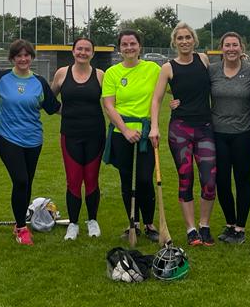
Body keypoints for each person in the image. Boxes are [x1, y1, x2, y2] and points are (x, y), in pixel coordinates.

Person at [0, 39, 60, 245]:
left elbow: (53, 107)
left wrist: (82, 113)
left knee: (27, 182)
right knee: (20, 180)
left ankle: (20, 220)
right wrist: (3, 109)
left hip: (34, 139)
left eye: (27, 55)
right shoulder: (1, 78)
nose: (23, 59)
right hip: (8, 137)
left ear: (32, 58)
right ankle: (21, 227)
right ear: (12, 58)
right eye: (19, 55)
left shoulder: (39, 82)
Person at [149, 22, 216, 246]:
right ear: (174, 42)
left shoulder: (203, 60)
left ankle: (205, 225)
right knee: (185, 178)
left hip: (205, 128)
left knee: (209, 179)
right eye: (180, 38)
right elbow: (157, 99)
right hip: (180, 129)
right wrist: (155, 127)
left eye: (188, 37)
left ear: (194, 40)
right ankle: (191, 229)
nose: (185, 41)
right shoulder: (168, 68)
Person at [102, 29, 162, 242]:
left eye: (133, 44)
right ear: (120, 48)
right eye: (125, 44)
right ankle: (132, 223)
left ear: (140, 47)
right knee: (127, 180)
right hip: (121, 133)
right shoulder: (112, 73)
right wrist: (126, 130)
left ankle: (149, 223)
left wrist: (177, 102)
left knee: (145, 179)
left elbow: (169, 88)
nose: (129, 48)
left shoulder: (153, 69)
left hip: (147, 133)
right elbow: (109, 105)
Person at [209, 31, 250, 244]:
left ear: (242, 48)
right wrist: (175, 101)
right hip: (217, 133)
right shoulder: (211, 70)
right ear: (221, 48)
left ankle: (240, 227)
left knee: (241, 180)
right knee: (221, 181)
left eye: (235, 45)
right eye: (227, 45)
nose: (231, 48)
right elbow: (190, 88)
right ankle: (230, 224)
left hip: (243, 133)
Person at [51, 37, 105, 240]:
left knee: (91, 180)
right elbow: (49, 100)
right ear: (73, 51)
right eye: (79, 49)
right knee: (73, 181)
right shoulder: (62, 73)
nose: (83, 52)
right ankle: (73, 224)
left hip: (95, 134)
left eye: (87, 49)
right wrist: (68, 112)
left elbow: (112, 101)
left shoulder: (100, 75)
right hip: (70, 134)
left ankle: (92, 221)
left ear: (92, 53)